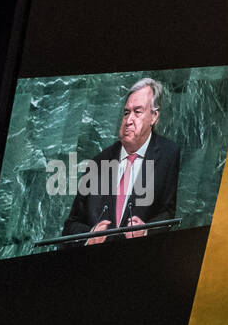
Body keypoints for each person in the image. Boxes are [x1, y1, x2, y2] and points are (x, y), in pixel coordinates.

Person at [62, 77, 180, 245]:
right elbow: (70, 225)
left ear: (153, 117)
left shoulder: (169, 154)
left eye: (137, 112)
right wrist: (89, 236)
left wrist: (147, 231)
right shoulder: (98, 163)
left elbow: (168, 212)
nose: (128, 120)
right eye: (126, 112)